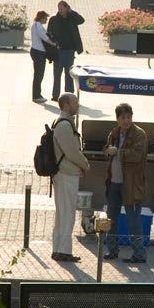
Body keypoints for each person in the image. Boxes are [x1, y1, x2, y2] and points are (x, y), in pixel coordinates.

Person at [104, 103, 148, 263]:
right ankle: (112, 251)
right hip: (114, 183)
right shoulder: (114, 133)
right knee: (111, 219)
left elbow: (136, 155)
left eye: (129, 117)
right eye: (123, 118)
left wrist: (118, 152)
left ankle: (139, 254)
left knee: (133, 220)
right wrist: (108, 151)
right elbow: (107, 149)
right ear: (117, 119)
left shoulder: (139, 134)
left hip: (131, 185)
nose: (126, 120)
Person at [51, 94, 89, 262]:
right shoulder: (65, 125)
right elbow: (72, 152)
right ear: (66, 105)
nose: (78, 105)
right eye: (75, 102)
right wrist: (85, 164)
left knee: (62, 213)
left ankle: (58, 248)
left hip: (63, 173)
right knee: (67, 214)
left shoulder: (61, 122)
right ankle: (64, 251)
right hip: (66, 174)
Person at [47, 1, 85, 101]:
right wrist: (54, 43)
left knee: (69, 74)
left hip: (69, 51)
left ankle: (69, 95)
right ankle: (55, 95)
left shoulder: (72, 18)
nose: (60, 10)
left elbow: (82, 20)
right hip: (58, 51)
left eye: (62, 8)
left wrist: (71, 12)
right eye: (58, 8)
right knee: (57, 74)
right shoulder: (54, 19)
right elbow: (49, 33)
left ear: (67, 8)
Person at [30, 10, 57, 103]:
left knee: (38, 74)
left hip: (35, 51)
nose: (46, 20)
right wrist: (53, 44)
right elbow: (44, 37)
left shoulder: (35, 25)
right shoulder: (38, 26)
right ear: (41, 18)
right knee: (39, 74)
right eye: (45, 18)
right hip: (38, 52)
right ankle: (37, 96)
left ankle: (37, 95)